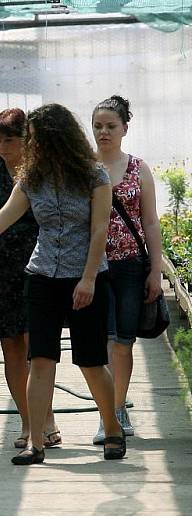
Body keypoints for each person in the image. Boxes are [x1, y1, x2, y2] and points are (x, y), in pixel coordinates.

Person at [0, 103, 126, 465]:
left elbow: (100, 229)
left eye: (34, 138)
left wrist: (87, 279)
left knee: (90, 361)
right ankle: (35, 442)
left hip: (85, 276)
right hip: (41, 277)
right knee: (40, 359)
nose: (28, 144)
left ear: (54, 138)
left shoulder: (94, 175)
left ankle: (112, 427)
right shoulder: (30, 179)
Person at [0, 108, 60, 450]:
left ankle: (45, 418)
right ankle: (26, 421)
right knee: (12, 349)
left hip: (38, 271)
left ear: (28, 139)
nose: (3, 146)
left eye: (10, 139)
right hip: (1, 274)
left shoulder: (43, 177)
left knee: (39, 348)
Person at [91, 95, 163, 443]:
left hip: (131, 266)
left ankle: (117, 408)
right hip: (94, 265)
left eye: (110, 126)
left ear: (124, 129)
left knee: (123, 341)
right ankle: (106, 415)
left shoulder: (138, 168)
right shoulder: (85, 168)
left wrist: (155, 270)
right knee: (102, 340)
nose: (103, 132)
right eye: (98, 126)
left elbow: (150, 221)